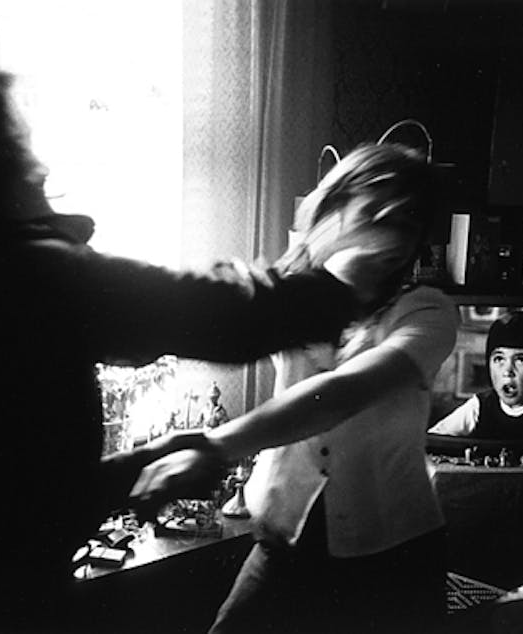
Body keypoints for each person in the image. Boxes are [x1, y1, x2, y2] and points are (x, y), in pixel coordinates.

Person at [0, 48, 410, 632]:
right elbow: (222, 314)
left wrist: (146, 462)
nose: (39, 166)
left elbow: (5, 496)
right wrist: (338, 282)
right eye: (18, 144)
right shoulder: (16, 271)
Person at [132, 142, 459, 633]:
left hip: (392, 559)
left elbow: (342, 394)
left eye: (406, 223)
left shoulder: (427, 311)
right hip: (284, 543)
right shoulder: (289, 295)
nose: (390, 234)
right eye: (373, 213)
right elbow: (205, 317)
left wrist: (215, 446)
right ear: (333, 211)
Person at [428, 310, 523, 439]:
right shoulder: (481, 404)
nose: (507, 371)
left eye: (521, 360)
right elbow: (435, 437)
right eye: (499, 359)